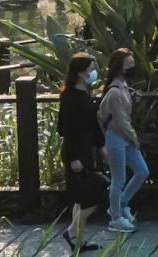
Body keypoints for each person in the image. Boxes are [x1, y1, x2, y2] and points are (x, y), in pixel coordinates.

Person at [58, 53, 106, 252]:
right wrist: (73, 158)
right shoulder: (70, 97)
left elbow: (92, 124)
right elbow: (65, 129)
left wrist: (100, 145)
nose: (93, 73)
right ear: (80, 72)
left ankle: (77, 240)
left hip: (87, 148)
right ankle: (71, 231)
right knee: (94, 193)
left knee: (81, 196)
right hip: (76, 150)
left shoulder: (83, 93)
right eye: (90, 69)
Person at [97, 48, 147, 234]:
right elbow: (120, 122)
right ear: (120, 68)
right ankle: (115, 218)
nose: (133, 68)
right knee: (119, 178)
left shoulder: (124, 88)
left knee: (142, 171)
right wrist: (134, 138)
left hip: (124, 136)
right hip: (117, 137)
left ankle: (121, 204)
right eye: (130, 65)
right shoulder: (115, 92)